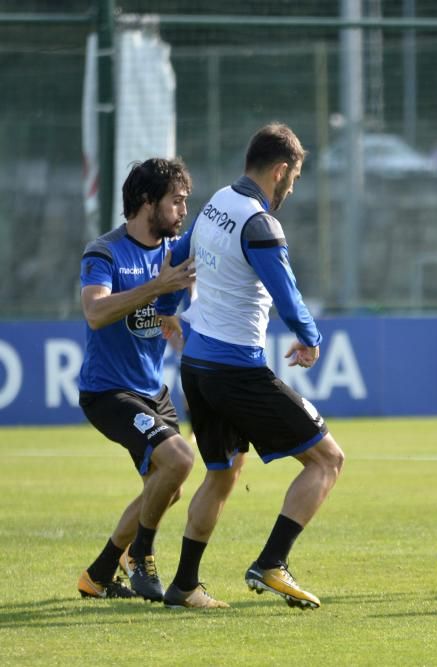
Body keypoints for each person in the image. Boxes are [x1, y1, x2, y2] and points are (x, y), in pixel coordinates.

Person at [157, 122, 345, 609]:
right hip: (236, 371)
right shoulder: (260, 224)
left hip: (197, 367)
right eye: (294, 179)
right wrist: (310, 339)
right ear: (280, 170)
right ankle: (272, 562)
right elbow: (287, 294)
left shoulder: (216, 202)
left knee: (221, 473)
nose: (291, 189)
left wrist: (169, 307)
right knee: (328, 460)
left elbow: (178, 259)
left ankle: (183, 586)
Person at [77, 158, 197, 601]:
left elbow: (177, 314)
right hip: (108, 392)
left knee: (168, 488)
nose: (184, 210)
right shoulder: (105, 252)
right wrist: (156, 287)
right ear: (148, 202)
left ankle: (100, 573)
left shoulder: (175, 253)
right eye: (177, 201)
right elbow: (95, 312)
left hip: (152, 390)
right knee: (180, 459)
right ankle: (141, 558)